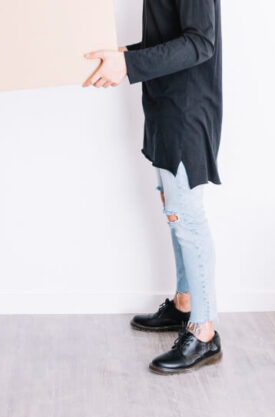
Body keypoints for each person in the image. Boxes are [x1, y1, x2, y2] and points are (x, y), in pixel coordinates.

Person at [83, 0, 223, 374]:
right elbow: (170, 38)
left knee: (187, 219)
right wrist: (123, 55)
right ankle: (184, 305)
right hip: (164, 104)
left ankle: (204, 330)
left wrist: (127, 64)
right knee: (174, 212)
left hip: (187, 110)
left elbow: (200, 43)